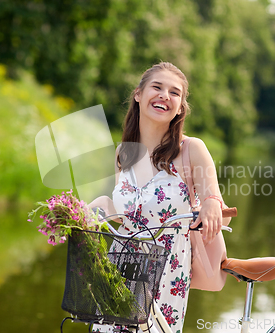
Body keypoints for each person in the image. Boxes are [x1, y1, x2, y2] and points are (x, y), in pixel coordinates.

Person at [89, 62, 231, 333]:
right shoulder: (123, 153)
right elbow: (126, 212)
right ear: (138, 94)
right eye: (157, 87)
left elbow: (213, 195)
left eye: (174, 92)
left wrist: (211, 204)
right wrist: (93, 208)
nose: (165, 95)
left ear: (180, 108)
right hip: (122, 260)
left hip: (167, 266)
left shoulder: (191, 149)